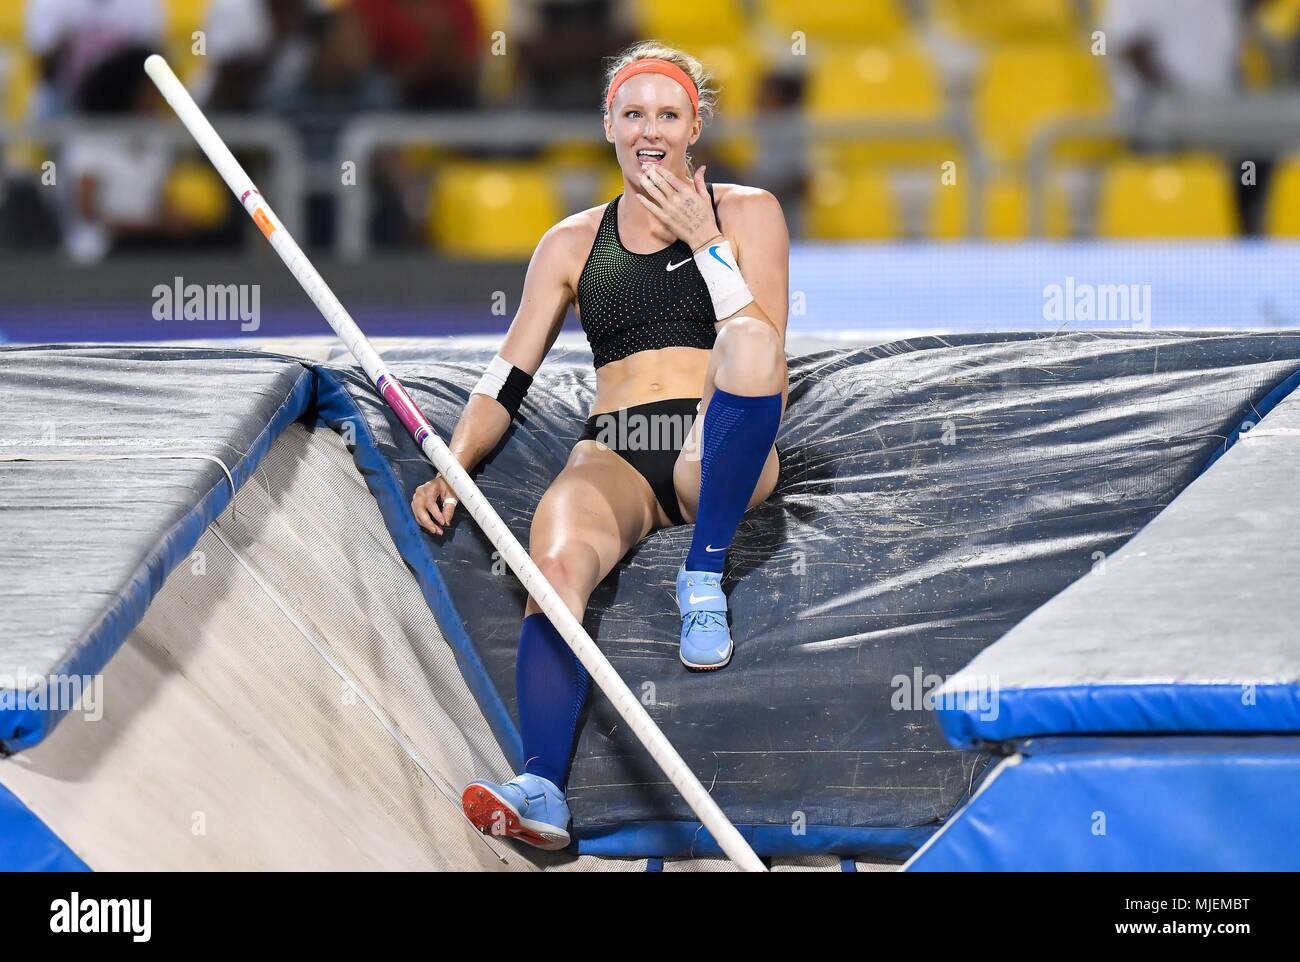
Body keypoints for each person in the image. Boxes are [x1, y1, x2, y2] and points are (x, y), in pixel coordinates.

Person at [409, 42, 790, 850]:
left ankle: (702, 574)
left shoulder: (748, 211)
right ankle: (541, 785)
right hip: (616, 448)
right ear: (609, 125)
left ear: (695, 127)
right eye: (634, 113)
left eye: (669, 114)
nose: (651, 129)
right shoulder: (573, 242)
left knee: (752, 347)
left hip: (718, 441)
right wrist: (451, 461)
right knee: (552, 566)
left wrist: (703, 241)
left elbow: (764, 352)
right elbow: (505, 380)